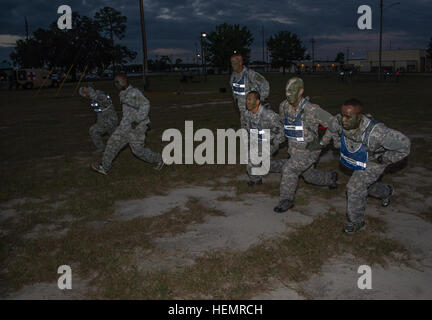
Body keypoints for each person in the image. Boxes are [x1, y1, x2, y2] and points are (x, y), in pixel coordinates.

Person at [325, 99, 410, 233]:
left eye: (348, 116)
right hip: (357, 158)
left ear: (359, 117)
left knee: (354, 187)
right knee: (366, 186)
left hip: (373, 162)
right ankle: (386, 191)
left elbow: (404, 146)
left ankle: (357, 221)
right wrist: (334, 143)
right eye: (342, 115)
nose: (343, 120)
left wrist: (384, 159)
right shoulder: (338, 120)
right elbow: (332, 127)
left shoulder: (378, 133)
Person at [275, 77, 338, 213]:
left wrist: (322, 142)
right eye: (286, 91)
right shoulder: (283, 106)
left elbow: (334, 124)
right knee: (309, 176)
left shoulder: (312, 109)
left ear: (301, 91)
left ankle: (286, 200)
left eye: (292, 91)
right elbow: (282, 123)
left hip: (309, 150)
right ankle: (330, 178)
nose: (288, 94)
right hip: (293, 150)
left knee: (289, 169)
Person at [91, 74, 164, 175]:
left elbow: (145, 104)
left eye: (117, 82)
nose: (116, 85)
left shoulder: (134, 92)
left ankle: (159, 159)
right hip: (124, 126)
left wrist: (137, 120)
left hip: (137, 127)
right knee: (112, 144)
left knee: (138, 151)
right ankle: (104, 167)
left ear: (120, 82)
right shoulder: (122, 93)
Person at [243, 91, 287, 186]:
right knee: (269, 166)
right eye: (246, 99)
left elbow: (282, 131)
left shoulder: (269, 115)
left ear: (258, 101)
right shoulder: (247, 115)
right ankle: (290, 164)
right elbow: (248, 128)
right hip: (258, 142)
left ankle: (256, 180)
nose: (247, 102)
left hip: (269, 142)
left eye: (250, 99)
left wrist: (272, 142)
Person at [230, 54, 269, 128]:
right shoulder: (233, 76)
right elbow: (234, 91)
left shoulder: (250, 74)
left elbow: (265, 84)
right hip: (242, 111)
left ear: (240, 62)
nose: (232, 65)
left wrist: (260, 100)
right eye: (231, 62)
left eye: (234, 62)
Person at [79, 84, 118, 154]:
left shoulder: (101, 95)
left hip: (110, 120)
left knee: (115, 137)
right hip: (104, 121)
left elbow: (104, 102)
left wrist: (91, 92)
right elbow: (99, 112)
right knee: (94, 130)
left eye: (86, 91)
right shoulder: (93, 98)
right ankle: (101, 148)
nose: (85, 93)